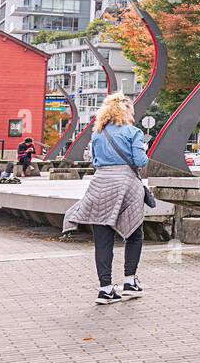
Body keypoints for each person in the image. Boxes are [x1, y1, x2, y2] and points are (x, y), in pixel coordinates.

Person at [60, 94, 149, 305]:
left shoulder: (98, 134)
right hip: (126, 185)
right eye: (132, 112)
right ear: (125, 111)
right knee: (135, 233)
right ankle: (129, 282)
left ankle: (105, 289)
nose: (133, 117)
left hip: (100, 184)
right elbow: (140, 160)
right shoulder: (133, 132)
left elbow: (95, 161)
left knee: (102, 239)